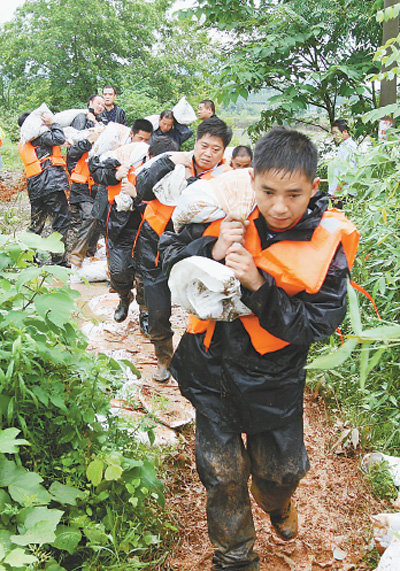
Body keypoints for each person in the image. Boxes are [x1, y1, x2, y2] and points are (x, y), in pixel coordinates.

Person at [159, 127, 359, 570]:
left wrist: (256, 285)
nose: (279, 206)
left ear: (313, 188)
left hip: (275, 380)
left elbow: (317, 323)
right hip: (210, 369)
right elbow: (166, 258)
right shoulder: (224, 213)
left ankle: (276, 502)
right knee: (223, 474)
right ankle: (235, 557)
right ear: (252, 183)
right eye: (267, 191)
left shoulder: (327, 245)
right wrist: (209, 247)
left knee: (280, 473)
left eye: (294, 194)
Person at [136, 117, 233, 383]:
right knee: (157, 308)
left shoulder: (227, 178)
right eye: (204, 146)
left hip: (194, 248)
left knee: (203, 307)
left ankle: (197, 360)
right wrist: (168, 162)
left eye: (216, 149)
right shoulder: (172, 161)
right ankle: (164, 356)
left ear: (224, 152)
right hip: (154, 241)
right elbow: (142, 189)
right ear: (196, 142)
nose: (208, 154)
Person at [89, 118, 154, 325]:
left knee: (146, 273)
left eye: (147, 140)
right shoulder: (114, 154)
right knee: (119, 270)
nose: (142, 143)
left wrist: (137, 196)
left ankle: (145, 312)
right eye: (140, 138)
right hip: (117, 223)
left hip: (144, 222)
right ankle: (124, 297)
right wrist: (116, 175)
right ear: (132, 136)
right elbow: (96, 170)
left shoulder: (152, 160)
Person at [18, 111, 70, 264]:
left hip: (35, 186)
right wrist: (54, 123)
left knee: (36, 224)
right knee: (60, 222)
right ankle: (59, 261)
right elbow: (60, 138)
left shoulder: (24, 141)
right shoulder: (41, 136)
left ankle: (28, 259)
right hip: (51, 183)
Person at [67, 94, 106, 267]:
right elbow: (72, 153)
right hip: (81, 184)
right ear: (90, 103)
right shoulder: (81, 123)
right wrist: (90, 140)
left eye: (103, 105)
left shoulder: (104, 128)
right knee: (91, 215)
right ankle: (76, 255)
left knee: (98, 219)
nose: (101, 106)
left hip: (97, 184)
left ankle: (90, 253)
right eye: (99, 103)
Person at [328, 119, 357, 198]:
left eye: (336, 133)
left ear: (345, 132)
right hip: (340, 192)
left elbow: (348, 173)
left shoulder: (349, 148)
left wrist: (337, 191)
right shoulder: (343, 146)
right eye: (333, 134)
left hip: (344, 194)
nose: (334, 136)